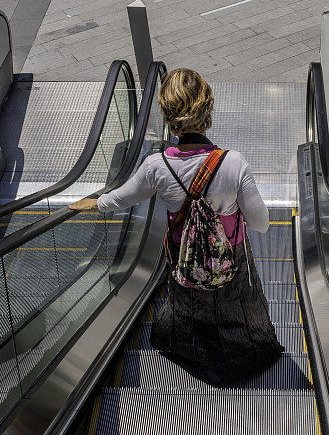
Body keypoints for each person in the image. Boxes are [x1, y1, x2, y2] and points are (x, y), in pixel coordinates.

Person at [70, 68, 283, 385]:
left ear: (168, 116)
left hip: (184, 255)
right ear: (207, 109)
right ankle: (239, 357)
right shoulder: (233, 163)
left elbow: (124, 197)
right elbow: (261, 225)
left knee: (190, 303)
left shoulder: (157, 165)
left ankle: (193, 350)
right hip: (231, 256)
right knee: (234, 305)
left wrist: (94, 203)